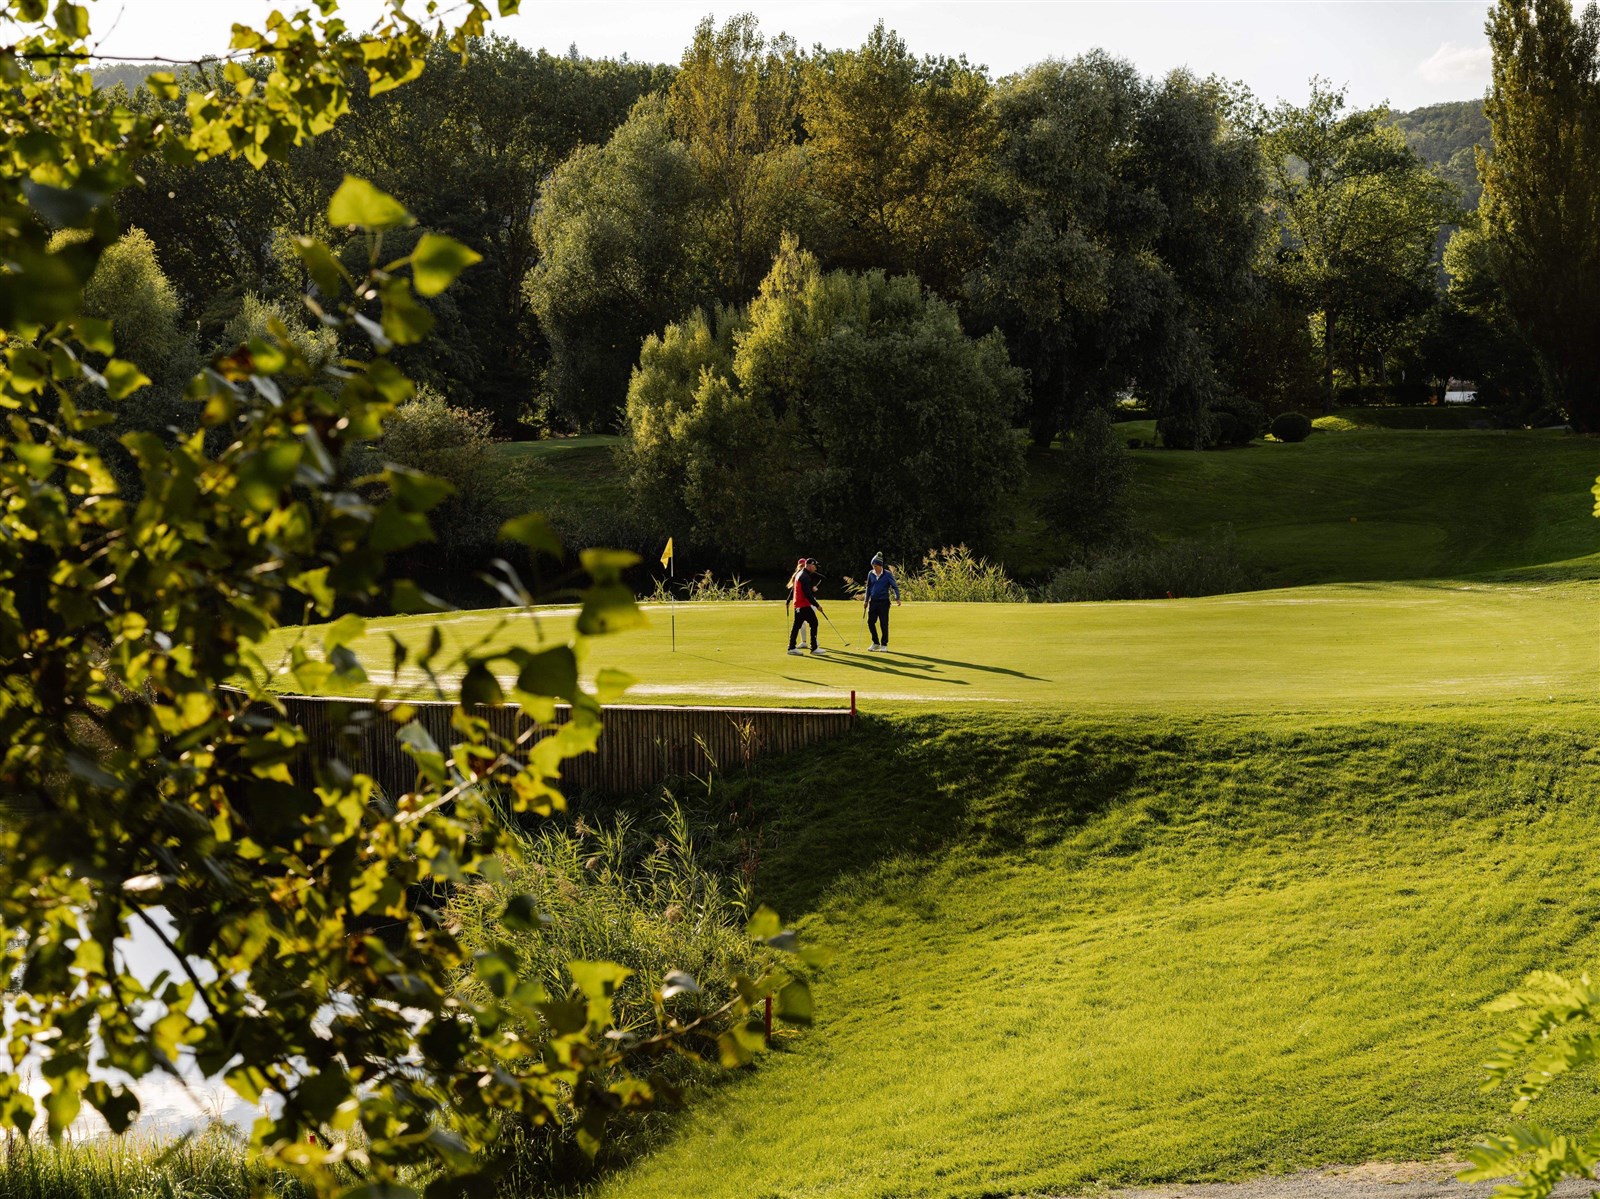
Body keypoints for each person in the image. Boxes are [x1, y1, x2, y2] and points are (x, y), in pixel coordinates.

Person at [786, 557, 827, 656]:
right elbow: (807, 594)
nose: (815, 568)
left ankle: (791, 647)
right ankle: (814, 648)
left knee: (797, 625)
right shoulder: (805, 577)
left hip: (799, 605)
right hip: (803, 604)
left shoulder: (801, 574)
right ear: (809, 566)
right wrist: (817, 605)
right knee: (814, 623)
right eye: (814, 566)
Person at [861, 552, 901, 651]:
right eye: (873, 566)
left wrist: (897, 598)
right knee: (870, 622)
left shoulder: (887, 574)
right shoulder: (871, 574)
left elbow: (894, 586)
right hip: (873, 602)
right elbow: (868, 587)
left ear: (880, 565)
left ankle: (884, 645)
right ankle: (875, 642)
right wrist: (866, 600)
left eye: (875, 566)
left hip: (884, 602)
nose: (874, 568)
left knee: (883, 623)